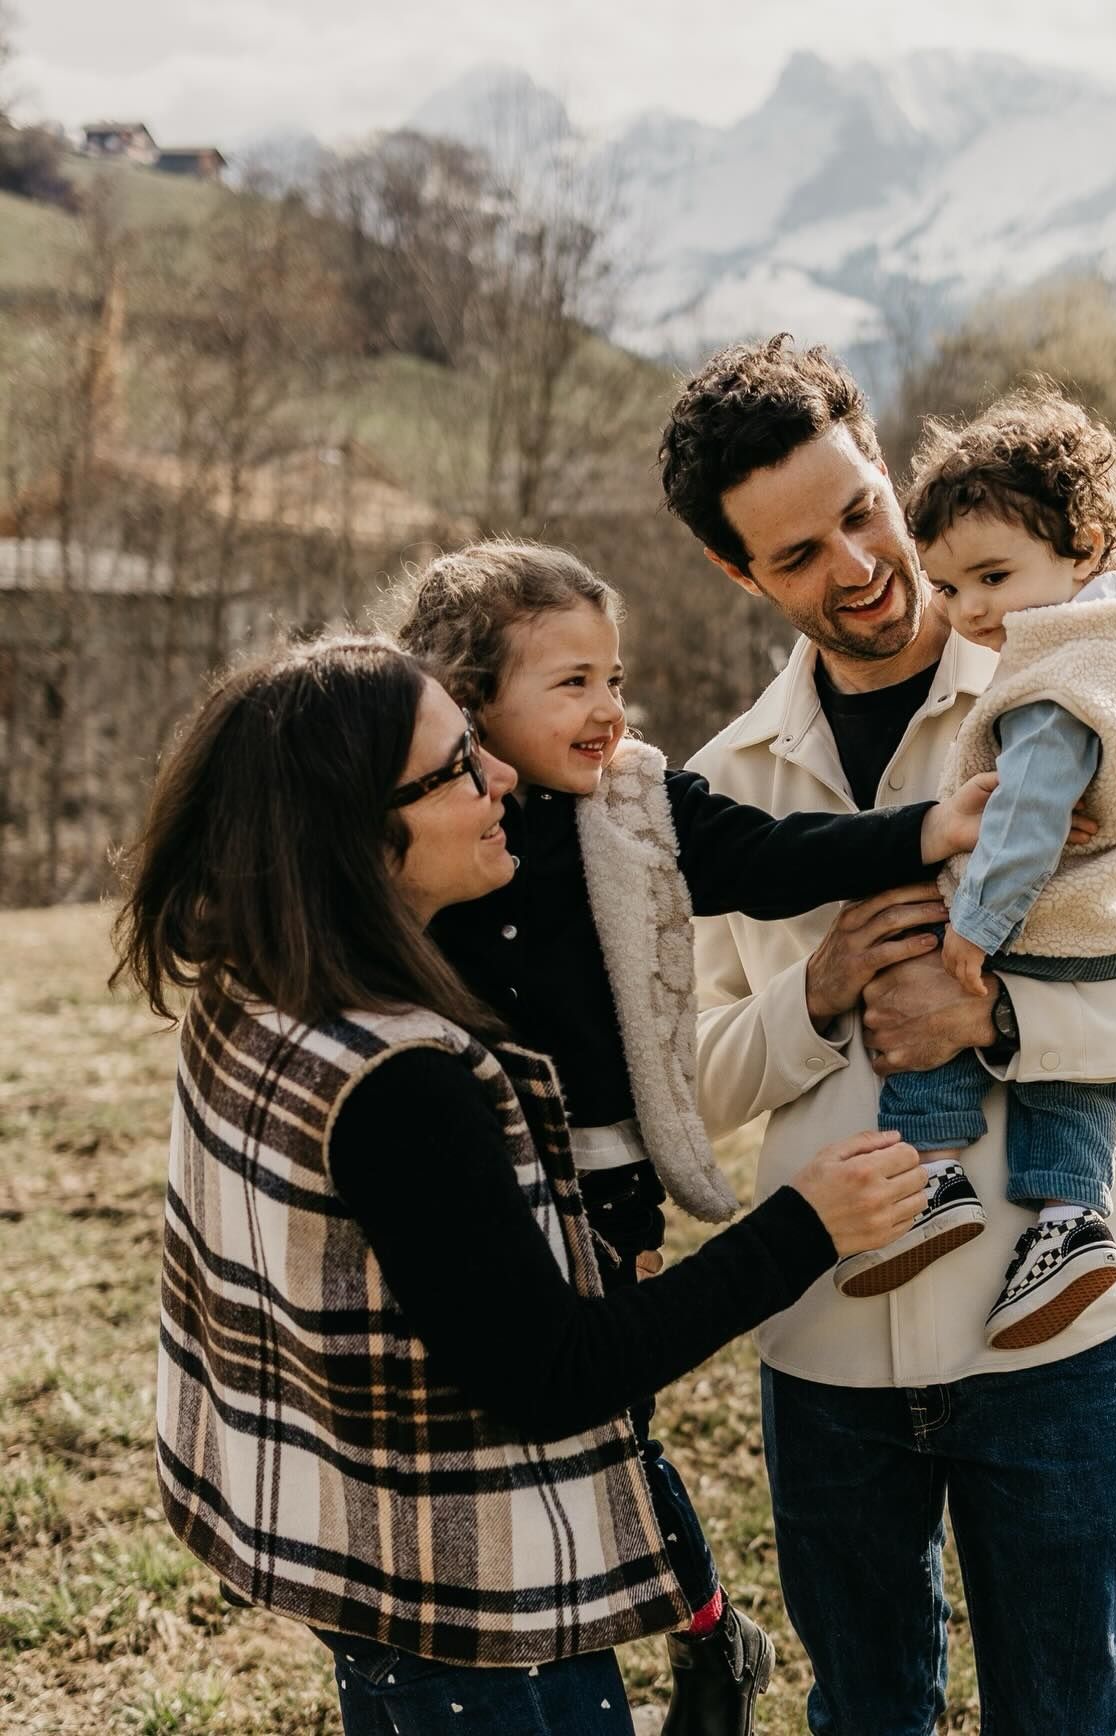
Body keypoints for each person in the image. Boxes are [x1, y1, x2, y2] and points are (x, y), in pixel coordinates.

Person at [109, 632, 930, 1736]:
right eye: (458, 767)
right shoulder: (397, 1080)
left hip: (346, 1550)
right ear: (357, 832)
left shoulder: (257, 986)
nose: (502, 775)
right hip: (469, 1615)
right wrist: (806, 1226)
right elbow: (552, 1374)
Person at [659, 336, 1116, 1735]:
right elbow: (683, 1087)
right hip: (824, 1341)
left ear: (889, 466)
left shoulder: (1094, 679)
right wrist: (814, 994)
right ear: (738, 573)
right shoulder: (721, 787)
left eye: (862, 510)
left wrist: (1001, 1014)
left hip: (1051, 1342)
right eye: (799, 553)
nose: (858, 566)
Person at [392, 540, 1045, 1734]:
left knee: (614, 1422)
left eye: (615, 678)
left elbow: (769, 856)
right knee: (534, 1415)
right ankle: (642, 1622)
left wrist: (926, 831)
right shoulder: (429, 838)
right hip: (476, 1180)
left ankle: (699, 1628)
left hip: (606, 1182)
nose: (609, 708)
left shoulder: (633, 807)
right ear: (468, 700)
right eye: (572, 683)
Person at [840, 388, 1116, 1357]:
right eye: (949, 588)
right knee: (1083, 1068)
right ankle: (1070, 1222)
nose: (971, 610)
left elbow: (1025, 812)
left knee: (923, 971)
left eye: (993, 576)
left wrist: (975, 924)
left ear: (1085, 545)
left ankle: (931, 1171)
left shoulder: (1058, 674)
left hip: (1057, 909)